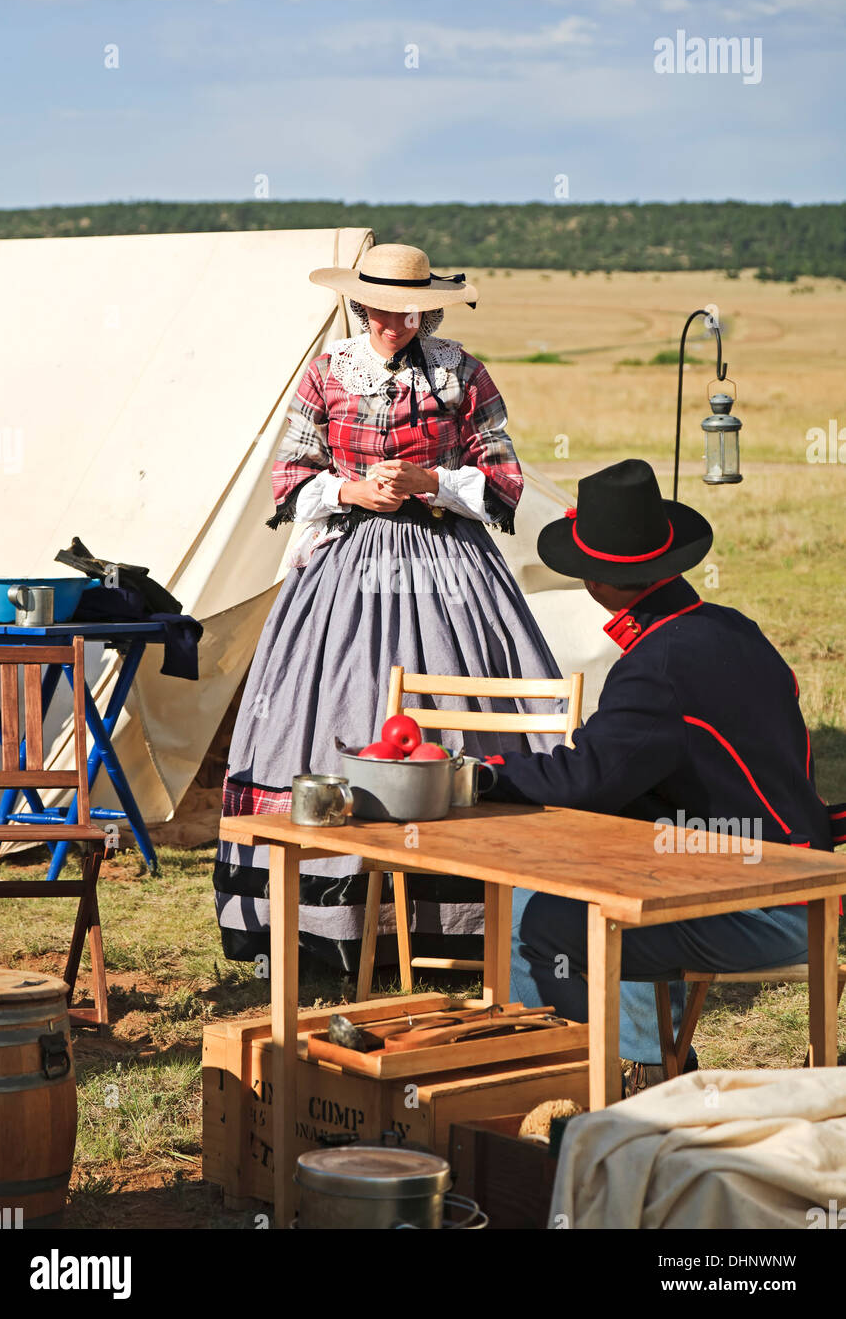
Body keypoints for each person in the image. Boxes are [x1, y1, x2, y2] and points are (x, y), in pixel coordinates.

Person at [214, 243, 563, 973]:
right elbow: (289, 474)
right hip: (346, 567)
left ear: (425, 306)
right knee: (333, 707)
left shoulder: (461, 371)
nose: (391, 322)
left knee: (452, 711)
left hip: (448, 567)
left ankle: (471, 919)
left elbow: (502, 477)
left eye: (406, 310)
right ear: (359, 302)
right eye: (379, 307)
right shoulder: (327, 372)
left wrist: (431, 480)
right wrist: (351, 492)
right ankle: (326, 922)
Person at [484, 458, 841, 1091]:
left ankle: (620, 1077)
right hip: (804, 881)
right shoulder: (731, 627)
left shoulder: (658, 664)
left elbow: (586, 778)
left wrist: (484, 776)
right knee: (606, 880)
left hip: (766, 906)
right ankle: (648, 1062)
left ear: (598, 582)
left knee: (535, 919)